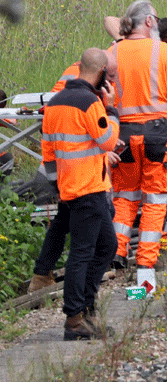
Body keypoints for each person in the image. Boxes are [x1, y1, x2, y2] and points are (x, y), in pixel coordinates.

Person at [38, 48, 121, 340]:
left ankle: (85, 307)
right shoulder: (91, 103)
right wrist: (111, 109)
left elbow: (47, 151)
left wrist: (57, 185)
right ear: (99, 74)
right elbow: (108, 141)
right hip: (88, 188)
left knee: (106, 246)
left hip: (72, 188)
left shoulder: (56, 102)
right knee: (84, 253)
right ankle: (75, 319)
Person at [108, 0, 167, 285]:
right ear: (150, 22)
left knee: (125, 196)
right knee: (155, 199)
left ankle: (115, 252)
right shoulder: (162, 50)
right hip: (157, 135)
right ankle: (145, 269)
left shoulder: (113, 51)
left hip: (123, 136)